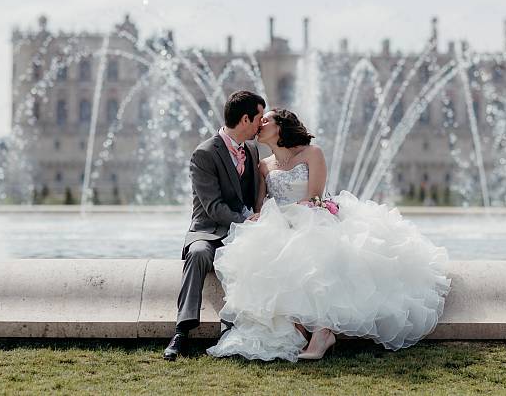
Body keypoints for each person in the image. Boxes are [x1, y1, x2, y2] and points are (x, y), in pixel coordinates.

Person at [206, 108, 450, 361]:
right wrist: (264, 220)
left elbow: (314, 197)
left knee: (317, 253)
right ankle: (299, 328)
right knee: (268, 255)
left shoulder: (312, 153)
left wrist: (294, 220)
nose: (260, 125)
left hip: (313, 218)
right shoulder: (264, 165)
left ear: (281, 126)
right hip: (280, 224)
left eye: (265, 120)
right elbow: (261, 204)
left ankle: (322, 333)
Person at [163, 90, 265, 361]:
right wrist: (246, 220)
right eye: (259, 118)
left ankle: (230, 327)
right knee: (197, 254)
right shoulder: (205, 153)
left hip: (241, 231)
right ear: (245, 120)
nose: (261, 125)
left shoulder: (253, 150)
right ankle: (182, 330)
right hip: (208, 230)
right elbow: (213, 207)